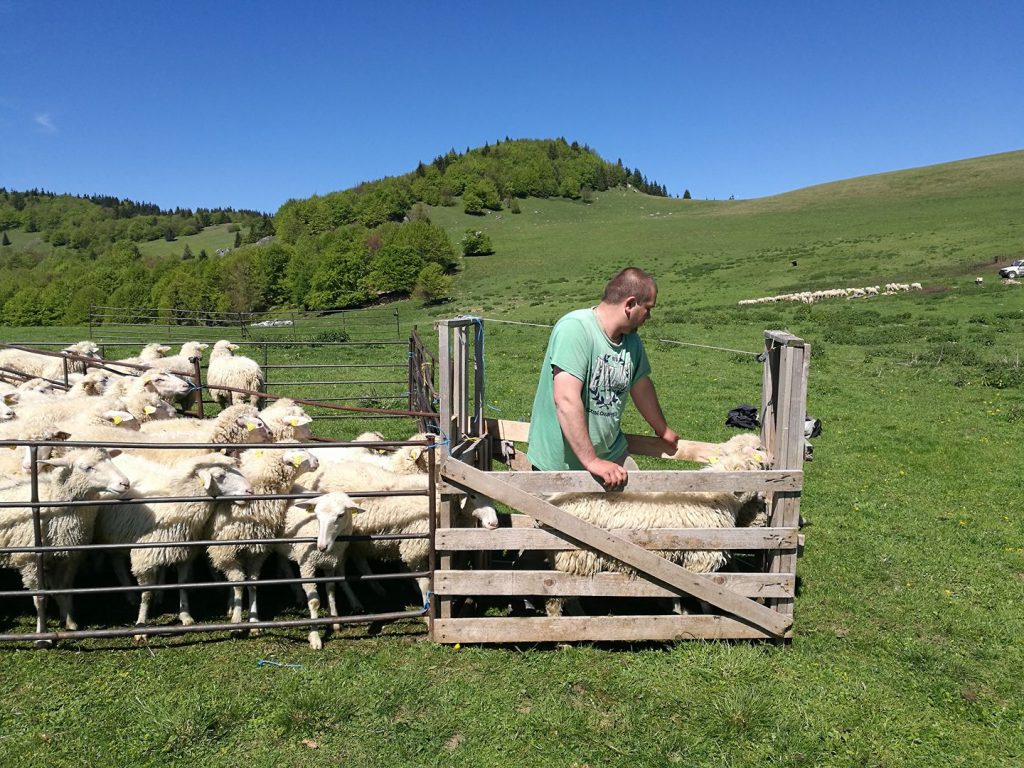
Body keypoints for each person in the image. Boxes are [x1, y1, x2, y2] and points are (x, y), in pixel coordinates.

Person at [527, 267, 679, 488]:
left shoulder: (631, 341)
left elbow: (641, 385)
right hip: (561, 464)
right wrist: (592, 461)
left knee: (641, 504)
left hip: (611, 454)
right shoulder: (575, 329)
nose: (649, 316)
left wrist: (662, 429)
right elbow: (566, 399)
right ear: (630, 304)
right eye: (648, 308)